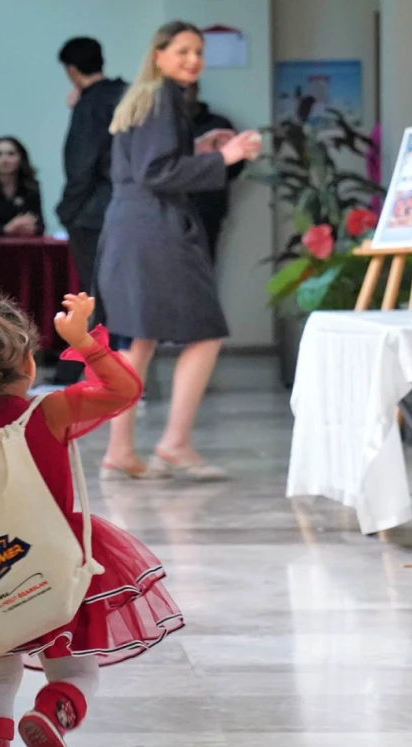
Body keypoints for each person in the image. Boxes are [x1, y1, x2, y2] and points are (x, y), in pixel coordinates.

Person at [0, 293, 183, 747]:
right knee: (76, 674)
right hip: (52, 564)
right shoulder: (48, 413)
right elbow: (123, 390)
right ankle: (50, 713)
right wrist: (85, 343)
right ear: (28, 360)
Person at [97, 21, 261, 481]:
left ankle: (121, 451)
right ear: (159, 55)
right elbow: (157, 173)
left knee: (140, 338)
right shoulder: (164, 96)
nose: (194, 60)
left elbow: (151, 162)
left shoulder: (144, 97)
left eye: (199, 52)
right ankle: (174, 443)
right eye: (184, 51)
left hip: (132, 226)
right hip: (157, 229)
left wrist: (199, 148)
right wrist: (222, 159)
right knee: (204, 331)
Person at [54, 36, 127, 384]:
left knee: (92, 296)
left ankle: (84, 373)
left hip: (94, 214)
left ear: (71, 71)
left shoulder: (89, 105)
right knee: (123, 294)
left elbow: (81, 165)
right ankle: (127, 371)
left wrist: (66, 211)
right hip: (130, 208)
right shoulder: (128, 96)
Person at [184, 81, 246, 266]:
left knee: (203, 274)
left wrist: (212, 162)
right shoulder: (163, 127)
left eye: (185, 89)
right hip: (167, 214)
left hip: (206, 212)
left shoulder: (218, 125)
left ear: (196, 89)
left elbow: (235, 168)